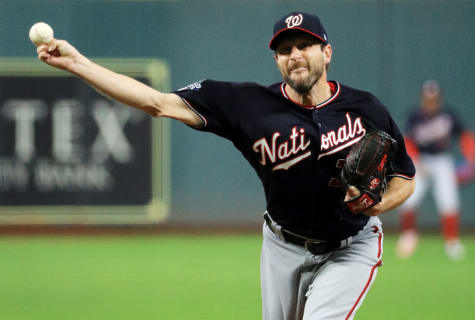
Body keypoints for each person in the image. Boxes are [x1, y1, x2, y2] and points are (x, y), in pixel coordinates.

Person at [36, 11, 415, 320]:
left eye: (304, 45)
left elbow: (405, 178)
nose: (295, 54)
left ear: (327, 52)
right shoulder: (245, 104)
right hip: (282, 247)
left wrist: (378, 204)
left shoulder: (365, 108)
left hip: (352, 245)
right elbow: (155, 102)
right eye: (285, 49)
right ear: (276, 60)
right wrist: (77, 63)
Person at [396, 79, 475, 261]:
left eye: (434, 98)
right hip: (420, 161)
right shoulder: (414, 117)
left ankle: (452, 242)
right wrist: (415, 160)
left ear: (438, 98)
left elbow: (465, 135)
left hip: (442, 161)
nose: (430, 101)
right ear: (423, 98)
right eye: (428, 98)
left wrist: (471, 157)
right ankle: (408, 236)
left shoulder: (448, 115)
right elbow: (406, 141)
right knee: (409, 198)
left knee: (449, 201)